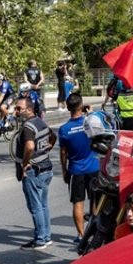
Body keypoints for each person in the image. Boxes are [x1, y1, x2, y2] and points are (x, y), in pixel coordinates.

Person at [14, 96, 56, 250]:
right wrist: (44, 152)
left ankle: (40, 240)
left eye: (19, 108)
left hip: (34, 172)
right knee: (43, 205)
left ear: (29, 109)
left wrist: (25, 163)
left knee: (35, 206)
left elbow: (30, 146)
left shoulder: (28, 127)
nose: (16, 111)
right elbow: (53, 137)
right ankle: (46, 236)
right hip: (46, 169)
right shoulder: (40, 122)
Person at [58, 93, 99, 241]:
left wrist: (64, 170)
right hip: (94, 168)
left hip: (76, 170)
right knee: (95, 202)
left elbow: (63, 153)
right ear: (81, 106)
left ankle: (81, 235)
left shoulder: (64, 130)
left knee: (78, 203)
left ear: (68, 108)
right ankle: (95, 232)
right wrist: (91, 113)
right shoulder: (90, 122)